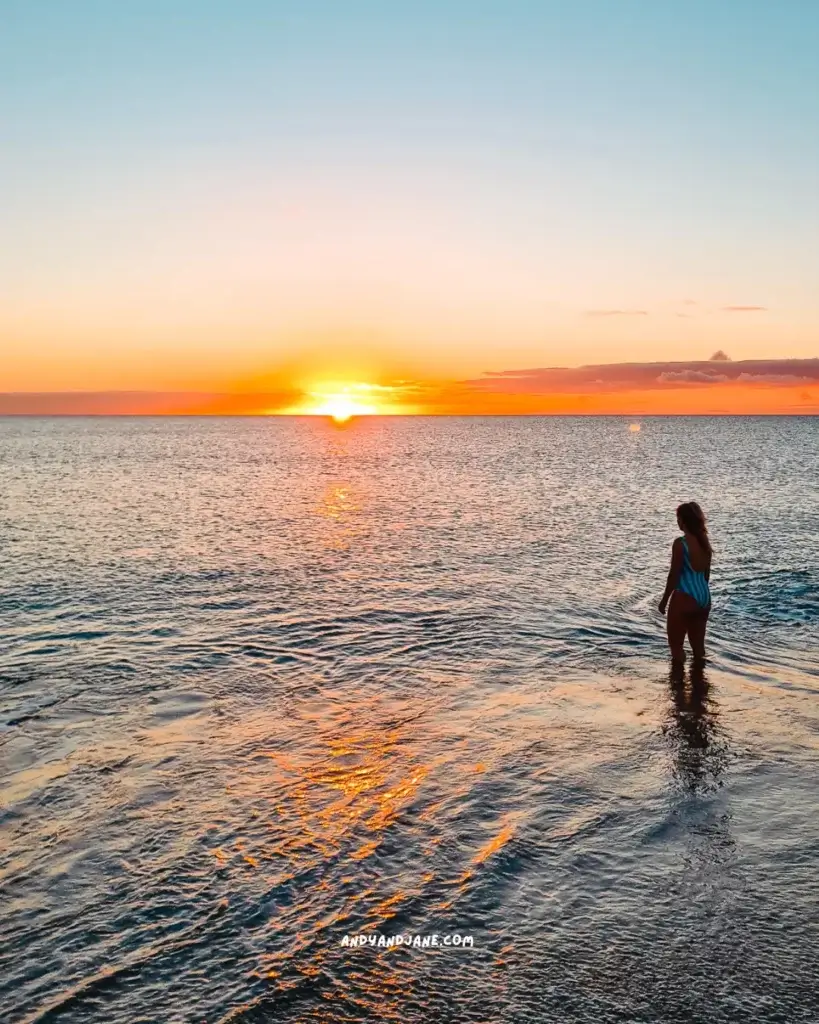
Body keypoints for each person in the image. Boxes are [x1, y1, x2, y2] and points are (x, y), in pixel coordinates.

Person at [658, 502, 712, 663]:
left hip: (685, 596)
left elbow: (674, 576)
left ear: (683, 520)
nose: (677, 521)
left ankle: (678, 685)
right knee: (698, 649)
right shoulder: (705, 543)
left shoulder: (681, 544)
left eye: (678, 518)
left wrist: (664, 601)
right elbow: (706, 576)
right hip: (704, 597)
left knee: (676, 647)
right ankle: (700, 684)